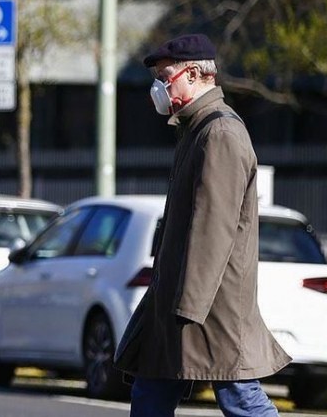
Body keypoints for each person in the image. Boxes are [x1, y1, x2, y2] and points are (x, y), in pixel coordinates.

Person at [114, 34, 291, 416]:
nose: (158, 88)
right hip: (181, 300)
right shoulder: (197, 128)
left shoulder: (220, 133)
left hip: (207, 304)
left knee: (238, 394)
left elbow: (214, 227)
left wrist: (188, 306)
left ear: (193, 74)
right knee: (152, 389)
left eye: (165, 77)